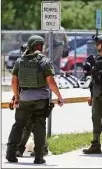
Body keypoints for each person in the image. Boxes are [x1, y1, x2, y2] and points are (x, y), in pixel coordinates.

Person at [6, 35, 64, 164]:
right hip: (41, 100)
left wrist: (16, 97)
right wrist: (60, 98)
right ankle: (39, 157)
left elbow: (14, 82)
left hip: (24, 99)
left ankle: (10, 154)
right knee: (39, 127)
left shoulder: (20, 61)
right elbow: (52, 83)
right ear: (42, 46)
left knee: (18, 126)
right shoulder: (45, 61)